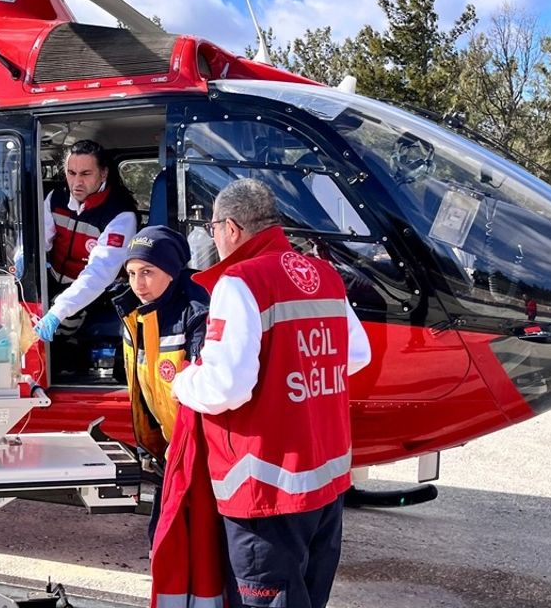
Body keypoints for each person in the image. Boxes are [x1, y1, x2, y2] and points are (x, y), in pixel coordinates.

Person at [171, 178, 371, 608]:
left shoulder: (240, 281)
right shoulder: (325, 275)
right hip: (327, 482)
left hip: (265, 485)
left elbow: (226, 387)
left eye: (213, 231)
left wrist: (182, 380)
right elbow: (355, 354)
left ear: (230, 228)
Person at [111, 226, 209, 541]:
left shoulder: (196, 316)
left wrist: (184, 449)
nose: (138, 284)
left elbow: (207, 392)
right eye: (131, 273)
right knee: (163, 545)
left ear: (171, 272)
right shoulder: (133, 315)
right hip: (168, 454)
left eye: (148, 272)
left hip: (200, 458)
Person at [34, 140, 138, 345]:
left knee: (61, 333)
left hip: (97, 291)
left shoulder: (120, 213)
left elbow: (100, 272)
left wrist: (59, 310)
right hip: (55, 278)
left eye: (85, 174)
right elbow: (39, 243)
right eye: (71, 173)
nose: (76, 182)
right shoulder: (56, 198)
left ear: (103, 174)